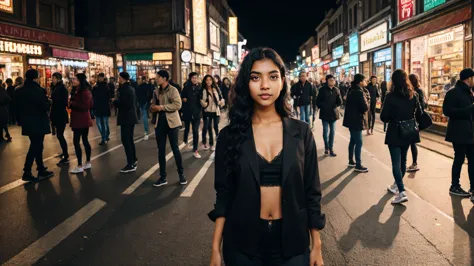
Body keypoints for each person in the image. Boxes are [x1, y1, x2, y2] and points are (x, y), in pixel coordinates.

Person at [208, 48, 325, 266]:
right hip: (242, 244)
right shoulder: (230, 135)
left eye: (272, 76)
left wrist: (316, 244)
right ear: (246, 83)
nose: (264, 85)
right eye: (255, 77)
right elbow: (223, 193)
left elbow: (312, 192)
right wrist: (215, 247)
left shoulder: (301, 132)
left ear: (282, 81)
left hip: (293, 243)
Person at [380, 69, 422, 204]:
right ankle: (396, 185)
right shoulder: (413, 95)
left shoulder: (390, 96)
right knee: (403, 161)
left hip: (394, 132)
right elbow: (419, 112)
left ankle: (402, 191)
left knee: (396, 163)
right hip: (408, 132)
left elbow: (384, 117)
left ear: (393, 81)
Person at [14, 69, 54, 181]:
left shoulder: (18, 90)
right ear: (36, 78)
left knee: (37, 145)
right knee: (36, 146)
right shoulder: (38, 90)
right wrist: (49, 102)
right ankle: (27, 171)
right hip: (39, 122)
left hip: (26, 122)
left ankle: (40, 168)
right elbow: (44, 106)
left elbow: (15, 107)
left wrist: (19, 119)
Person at [151, 70, 187, 187]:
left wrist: (161, 107)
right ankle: (162, 177)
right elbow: (152, 105)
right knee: (160, 150)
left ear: (165, 78)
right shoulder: (156, 91)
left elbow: (178, 104)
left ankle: (181, 174)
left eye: (159, 77)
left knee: (175, 148)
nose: (157, 79)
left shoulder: (173, 90)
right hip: (159, 123)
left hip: (172, 123)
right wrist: (153, 107)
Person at [443, 68, 474, 198]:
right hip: (459, 132)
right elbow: (447, 111)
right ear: (469, 79)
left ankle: (473, 186)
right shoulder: (453, 92)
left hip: (470, 132)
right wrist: (470, 109)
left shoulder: (470, 92)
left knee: (472, 159)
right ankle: (454, 185)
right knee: (459, 159)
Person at [343, 74, 369, 173]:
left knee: (353, 141)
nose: (366, 82)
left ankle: (351, 160)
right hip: (356, 119)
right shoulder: (359, 92)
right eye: (364, 80)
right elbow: (364, 107)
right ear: (360, 82)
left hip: (350, 119)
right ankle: (358, 164)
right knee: (359, 142)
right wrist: (366, 101)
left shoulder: (351, 90)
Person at [114, 72, 139, 173]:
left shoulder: (125, 89)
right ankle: (133, 159)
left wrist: (115, 102)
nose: (118, 79)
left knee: (126, 140)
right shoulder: (130, 88)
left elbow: (126, 104)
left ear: (122, 78)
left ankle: (130, 163)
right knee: (129, 140)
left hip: (127, 117)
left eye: (119, 77)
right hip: (130, 117)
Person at [69, 73, 93, 174]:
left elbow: (86, 105)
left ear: (80, 81)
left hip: (81, 119)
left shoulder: (84, 92)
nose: (73, 80)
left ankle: (80, 165)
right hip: (79, 119)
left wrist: (71, 103)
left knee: (78, 141)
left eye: (75, 79)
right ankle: (86, 162)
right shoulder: (77, 91)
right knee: (83, 140)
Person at [316, 74, 342, 156]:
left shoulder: (336, 90)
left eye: (333, 80)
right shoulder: (322, 90)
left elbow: (340, 101)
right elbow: (317, 101)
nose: (332, 82)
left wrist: (336, 105)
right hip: (324, 113)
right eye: (330, 80)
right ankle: (326, 147)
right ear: (327, 81)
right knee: (325, 131)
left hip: (333, 114)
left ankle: (331, 148)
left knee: (332, 132)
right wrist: (323, 105)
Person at [201, 75, 225, 151]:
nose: (208, 81)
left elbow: (221, 98)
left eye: (210, 80)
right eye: (207, 80)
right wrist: (203, 103)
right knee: (208, 128)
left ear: (212, 81)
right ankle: (209, 144)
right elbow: (201, 100)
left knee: (216, 127)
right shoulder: (203, 90)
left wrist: (221, 102)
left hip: (215, 111)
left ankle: (218, 142)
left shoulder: (216, 89)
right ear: (205, 81)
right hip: (207, 111)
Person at [181, 72, 203, 159]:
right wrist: (183, 99)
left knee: (195, 131)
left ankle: (195, 149)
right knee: (187, 127)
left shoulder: (200, 88)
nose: (195, 79)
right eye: (193, 78)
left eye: (196, 78)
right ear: (190, 79)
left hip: (197, 112)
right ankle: (185, 140)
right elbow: (182, 96)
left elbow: (202, 98)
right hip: (188, 112)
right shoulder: (186, 87)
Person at [50, 72, 70, 165]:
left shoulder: (61, 88)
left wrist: (51, 100)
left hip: (60, 114)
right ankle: (64, 153)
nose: (52, 80)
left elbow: (60, 101)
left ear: (58, 79)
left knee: (60, 135)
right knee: (59, 135)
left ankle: (66, 155)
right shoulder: (57, 88)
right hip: (57, 114)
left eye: (53, 78)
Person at [407, 74, 425, 172]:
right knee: (411, 142)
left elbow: (421, 106)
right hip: (411, 121)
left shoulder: (418, 91)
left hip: (414, 121)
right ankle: (413, 163)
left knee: (412, 143)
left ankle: (414, 163)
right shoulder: (408, 91)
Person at [92, 73, 112, 145]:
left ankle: (104, 137)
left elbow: (108, 96)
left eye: (101, 77)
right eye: (99, 77)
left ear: (103, 78)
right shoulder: (95, 86)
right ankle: (104, 136)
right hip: (98, 107)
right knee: (99, 123)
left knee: (105, 123)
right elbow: (93, 96)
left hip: (104, 107)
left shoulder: (106, 86)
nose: (100, 78)